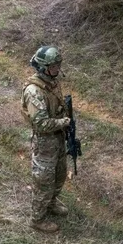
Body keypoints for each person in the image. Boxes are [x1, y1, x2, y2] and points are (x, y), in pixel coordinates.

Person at [21, 46, 71, 233]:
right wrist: (63, 122)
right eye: (53, 65)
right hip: (45, 141)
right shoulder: (34, 91)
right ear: (43, 67)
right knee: (44, 181)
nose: (57, 68)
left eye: (58, 64)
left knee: (59, 174)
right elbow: (41, 124)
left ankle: (51, 203)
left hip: (57, 137)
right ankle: (37, 219)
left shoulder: (51, 82)